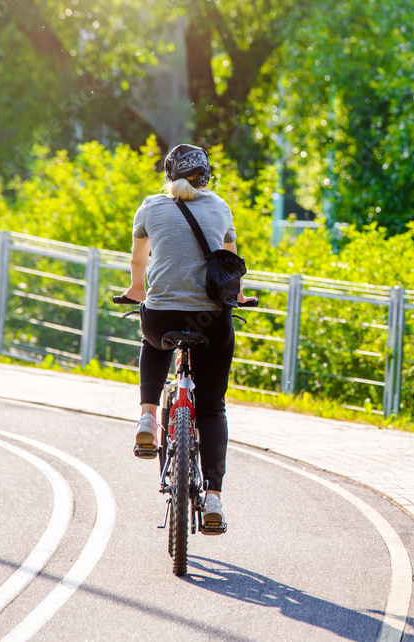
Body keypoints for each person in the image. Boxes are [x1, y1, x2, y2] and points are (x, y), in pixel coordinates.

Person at [121, 143, 255, 532]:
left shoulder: (151, 206)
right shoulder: (219, 207)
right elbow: (230, 261)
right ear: (206, 175)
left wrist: (136, 289)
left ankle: (147, 418)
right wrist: (241, 296)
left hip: (162, 317)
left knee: (152, 339)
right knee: (212, 408)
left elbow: (138, 260)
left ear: (168, 175)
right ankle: (213, 498)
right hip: (210, 320)